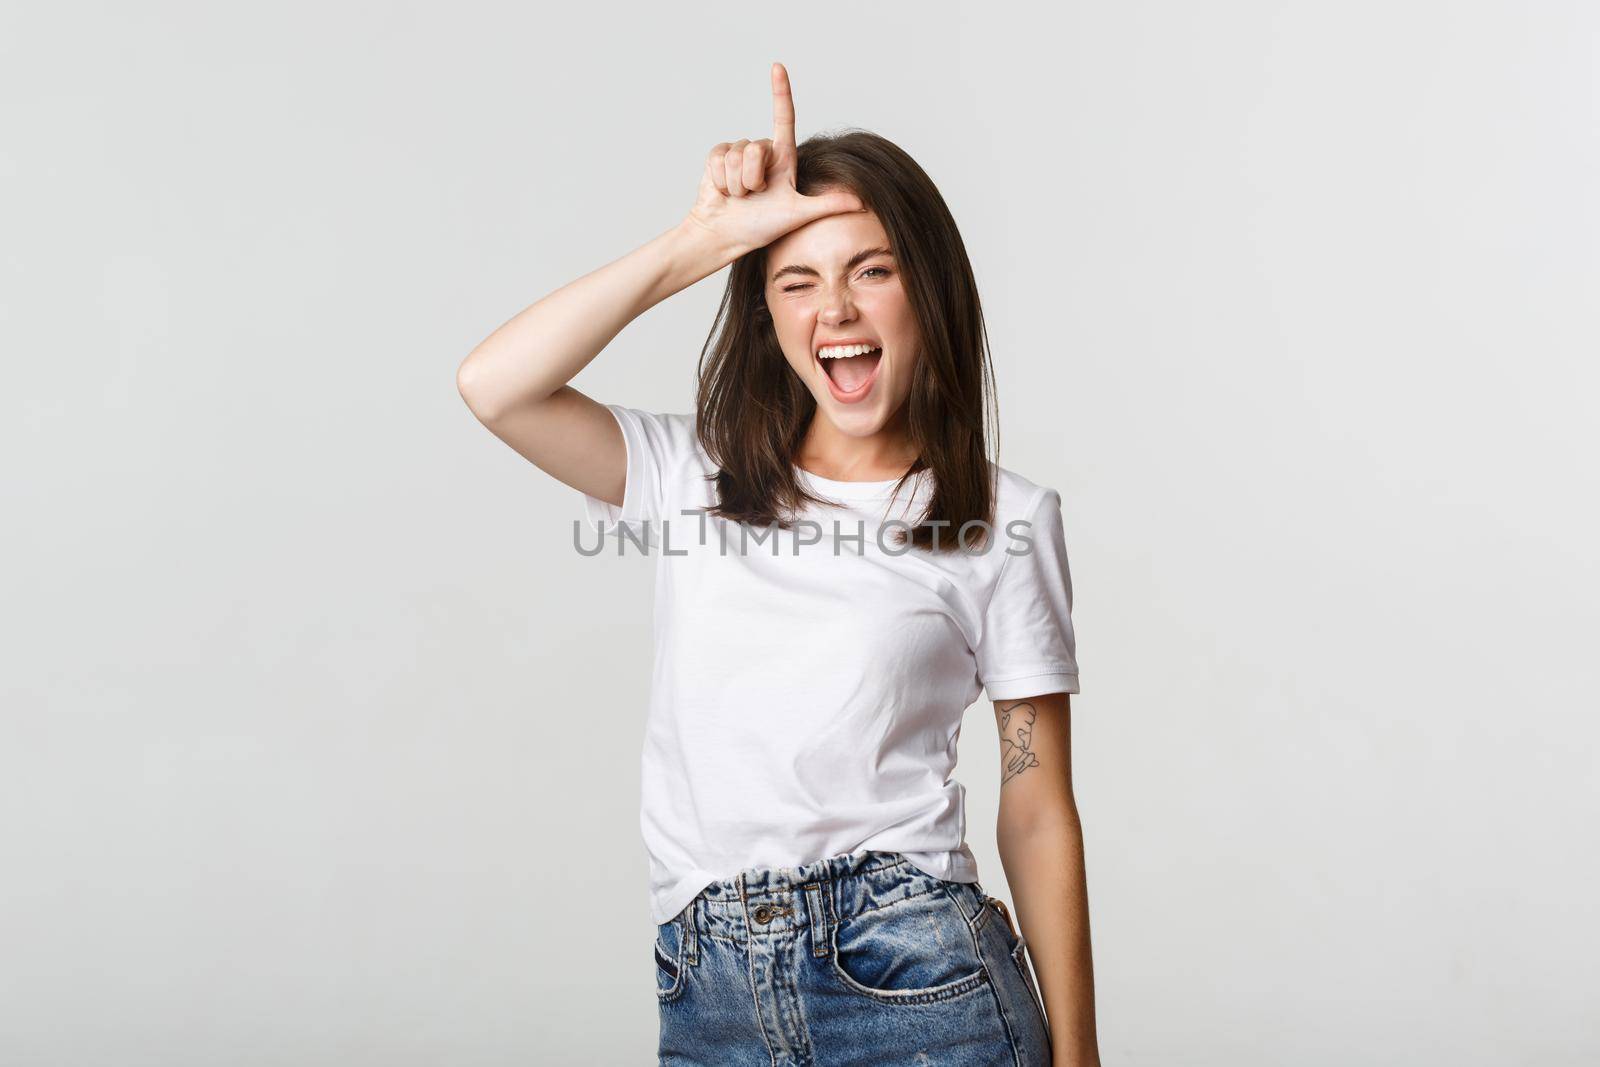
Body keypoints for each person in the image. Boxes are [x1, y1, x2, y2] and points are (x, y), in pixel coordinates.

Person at [457, 62, 1100, 1067]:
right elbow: (495, 385)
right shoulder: (688, 476)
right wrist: (701, 241)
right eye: (796, 280)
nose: (833, 308)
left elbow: (1036, 801)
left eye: (872, 270)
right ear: (766, 316)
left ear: (928, 291)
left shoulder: (1002, 519)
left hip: (919, 974)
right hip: (709, 990)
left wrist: (1080, 1055)